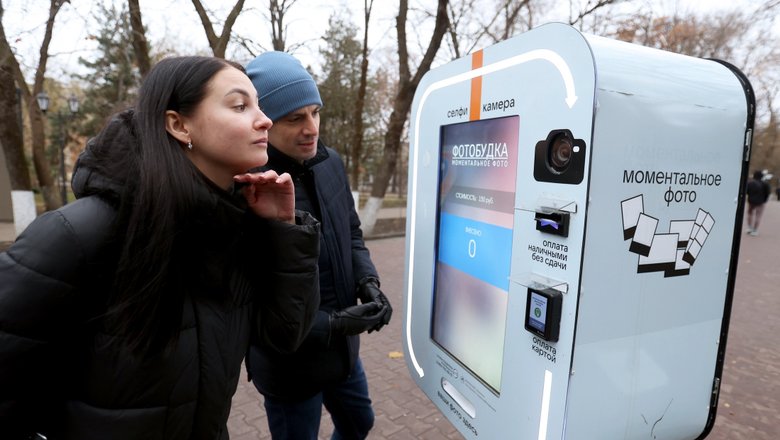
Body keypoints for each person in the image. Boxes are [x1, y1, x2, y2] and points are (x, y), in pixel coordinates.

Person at [0, 56, 321, 439]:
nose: (264, 119)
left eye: (259, 106)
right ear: (179, 124)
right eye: (240, 106)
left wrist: (283, 230)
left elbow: (284, 336)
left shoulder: (234, 229)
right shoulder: (79, 234)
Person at [244, 51, 393, 440]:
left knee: (360, 423)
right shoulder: (249, 186)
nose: (312, 128)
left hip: (342, 353)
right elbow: (250, 298)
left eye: (315, 112)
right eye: (295, 118)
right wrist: (333, 325)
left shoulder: (331, 163)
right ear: (264, 122)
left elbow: (352, 232)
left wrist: (368, 282)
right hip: (290, 366)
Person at [746, 170, 771, 235]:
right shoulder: (765, 184)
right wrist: (764, 200)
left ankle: (749, 227)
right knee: (758, 216)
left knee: (750, 214)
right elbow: (767, 193)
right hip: (761, 202)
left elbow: (747, 191)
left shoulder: (750, 183)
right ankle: (755, 230)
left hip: (751, 201)